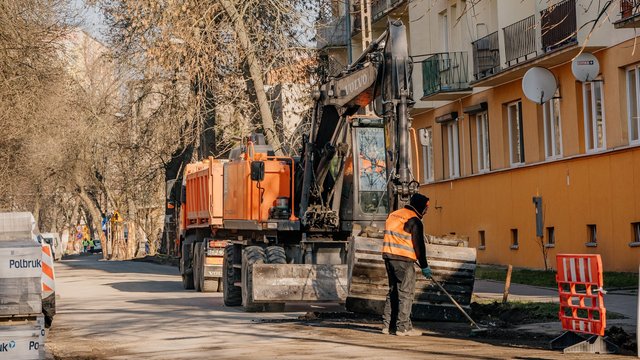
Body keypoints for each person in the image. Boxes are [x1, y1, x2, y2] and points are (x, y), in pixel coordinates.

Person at [381, 193, 432, 336]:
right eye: (426, 208)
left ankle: (388, 326)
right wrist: (425, 266)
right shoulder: (414, 220)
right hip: (404, 260)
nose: (426, 211)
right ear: (420, 206)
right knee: (406, 293)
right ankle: (402, 328)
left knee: (393, 291)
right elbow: (419, 245)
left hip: (388, 256)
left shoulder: (394, 215)